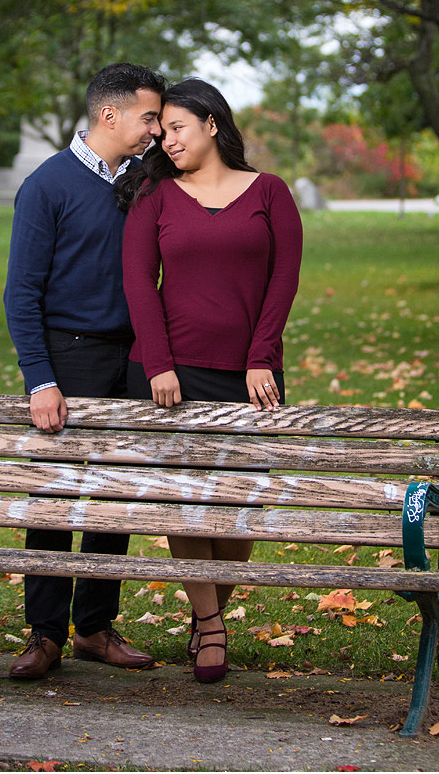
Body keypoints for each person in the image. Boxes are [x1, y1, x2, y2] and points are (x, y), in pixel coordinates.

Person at [117, 78, 303, 683]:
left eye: (177, 128)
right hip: (176, 371)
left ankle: (207, 613)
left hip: (253, 375)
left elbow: (283, 281)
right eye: (161, 131)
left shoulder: (270, 193)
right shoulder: (157, 197)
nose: (166, 141)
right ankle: (214, 626)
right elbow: (140, 281)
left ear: (211, 124)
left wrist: (261, 356)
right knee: (185, 503)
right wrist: (158, 363)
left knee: (239, 504)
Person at [3, 61, 165, 680]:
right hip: (67, 354)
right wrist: (40, 379)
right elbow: (23, 293)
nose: (155, 129)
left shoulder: (148, 181)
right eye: (149, 116)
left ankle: (94, 627)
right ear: (110, 114)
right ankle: (44, 633)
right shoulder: (47, 186)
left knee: (114, 496)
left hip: (134, 353)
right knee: (54, 497)